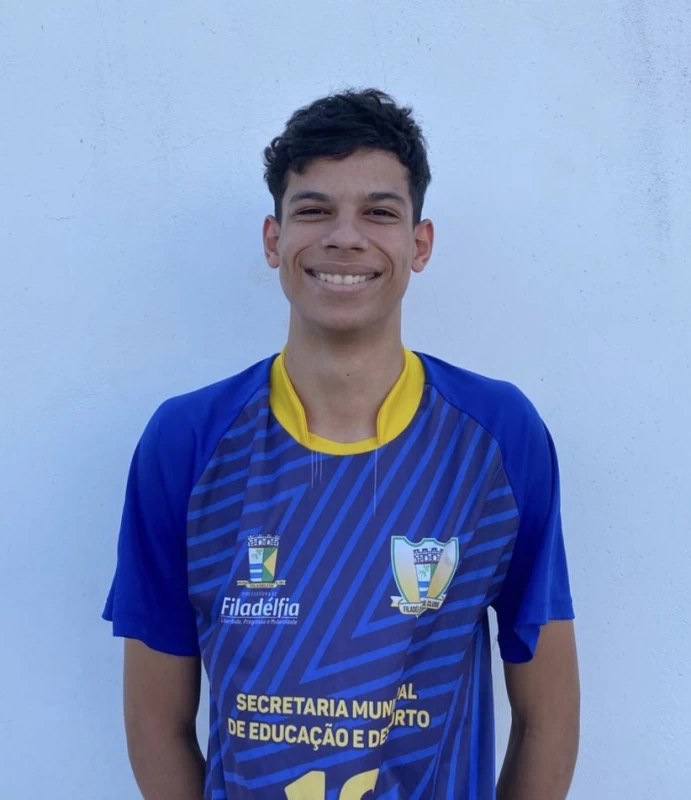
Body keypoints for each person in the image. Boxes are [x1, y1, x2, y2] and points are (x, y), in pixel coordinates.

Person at [103, 88, 580, 800]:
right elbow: (154, 721)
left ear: (419, 244)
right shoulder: (187, 440)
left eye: (379, 212)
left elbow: (547, 714)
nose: (344, 238)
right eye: (314, 210)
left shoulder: (498, 436)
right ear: (274, 240)